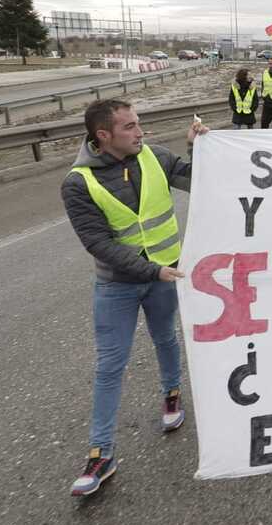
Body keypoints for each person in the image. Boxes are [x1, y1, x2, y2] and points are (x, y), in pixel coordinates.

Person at [61, 98, 209, 496]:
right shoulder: (78, 184)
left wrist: (198, 147)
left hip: (164, 274)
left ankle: (171, 397)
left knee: (165, 337)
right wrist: (151, 270)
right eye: (129, 127)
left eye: (138, 123)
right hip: (118, 284)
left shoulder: (155, 157)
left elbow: (201, 181)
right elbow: (97, 242)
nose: (140, 131)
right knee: (111, 363)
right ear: (103, 135)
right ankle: (101, 453)